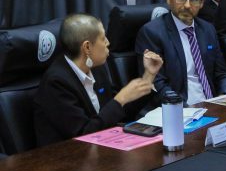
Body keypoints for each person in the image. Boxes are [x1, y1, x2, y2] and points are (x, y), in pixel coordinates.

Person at [34, 14, 163, 146]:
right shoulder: (56, 83)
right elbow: (83, 134)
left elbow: (117, 114)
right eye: (103, 38)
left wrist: (148, 76)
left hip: (101, 146)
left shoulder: (96, 68)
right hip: (66, 154)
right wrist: (120, 99)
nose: (108, 42)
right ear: (87, 47)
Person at [136, 0, 226, 105]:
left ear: (202, 2)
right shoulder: (152, 33)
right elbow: (158, 85)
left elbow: (222, 74)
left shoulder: (208, 29)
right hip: (179, 109)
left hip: (213, 105)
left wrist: (225, 96)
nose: (187, 5)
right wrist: (186, 109)